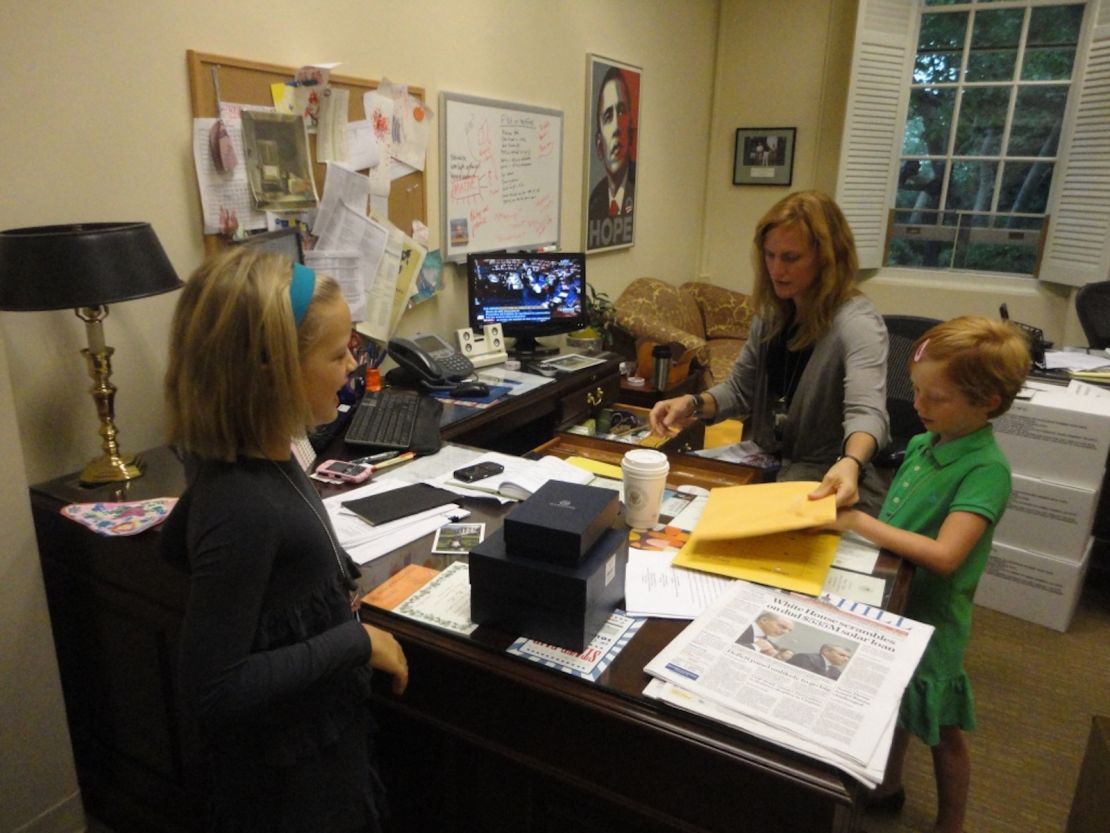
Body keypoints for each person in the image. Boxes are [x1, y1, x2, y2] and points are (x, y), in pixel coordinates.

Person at [161, 247, 409, 833]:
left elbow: (177, 547)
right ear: (268, 370)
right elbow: (212, 690)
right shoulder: (242, 501)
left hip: (320, 743)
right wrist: (354, 642)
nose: (353, 364)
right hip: (291, 788)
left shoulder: (266, 456)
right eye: (336, 352)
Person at [818, 316, 1030, 833]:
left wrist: (861, 524)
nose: (918, 406)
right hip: (895, 601)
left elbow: (945, 554)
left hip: (934, 618)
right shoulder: (923, 444)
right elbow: (901, 522)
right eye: (916, 391)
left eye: (936, 398)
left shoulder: (986, 471)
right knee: (893, 702)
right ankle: (888, 787)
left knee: (943, 729)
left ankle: (951, 821)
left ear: (988, 404)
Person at [649, 190, 890, 514]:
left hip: (824, 479)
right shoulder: (773, 315)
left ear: (827, 259)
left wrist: (851, 461)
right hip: (765, 466)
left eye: (791, 258)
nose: (777, 270)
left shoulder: (857, 324)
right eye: (770, 255)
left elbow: (867, 414)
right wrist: (691, 403)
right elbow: (739, 390)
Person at [586, 65, 635, 249]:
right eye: (608, 116)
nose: (616, 127)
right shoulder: (594, 203)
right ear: (599, 145)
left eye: (621, 112)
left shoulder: (636, 190)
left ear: (631, 129)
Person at [787, 643, 852, 680]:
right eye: (842, 655)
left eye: (848, 657)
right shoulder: (805, 658)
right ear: (826, 652)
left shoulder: (836, 672)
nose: (846, 659)